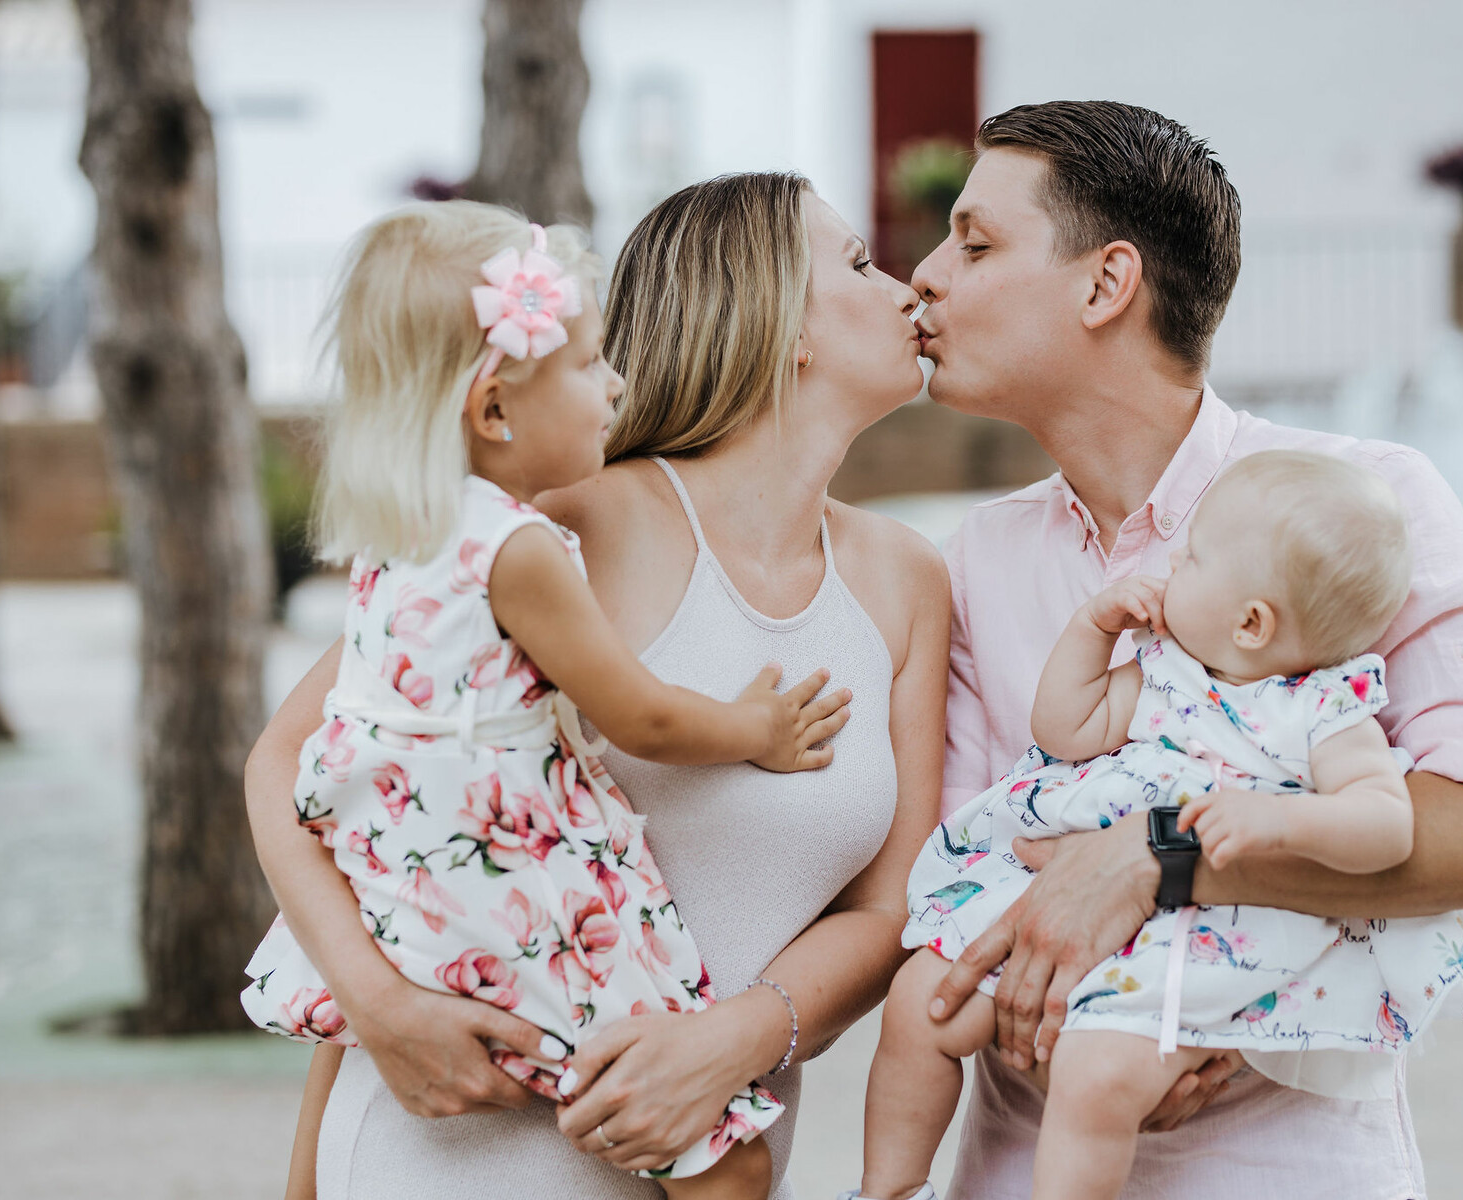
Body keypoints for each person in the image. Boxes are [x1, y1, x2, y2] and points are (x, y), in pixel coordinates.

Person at [244, 173, 949, 1200]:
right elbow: (307, 767)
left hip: (704, 1158)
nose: (908, 286)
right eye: (856, 263)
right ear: (775, 323)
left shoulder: (907, 579)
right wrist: (376, 1008)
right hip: (449, 1156)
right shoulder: (562, 529)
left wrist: (731, 1041)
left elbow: (893, 910)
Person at [910, 101, 1463, 1198]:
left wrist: (1160, 860)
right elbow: (973, 875)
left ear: (1105, 284)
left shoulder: (1364, 505)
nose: (923, 276)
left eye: (974, 244)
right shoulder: (977, 556)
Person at [854, 450, 1463, 1200]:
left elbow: (1387, 824)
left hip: (1200, 943)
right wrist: (1092, 632)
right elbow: (1070, 727)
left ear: (1252, 621)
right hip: (1063, 907)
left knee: (1095, 1076)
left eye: (1193, 558)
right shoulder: (1168, 672)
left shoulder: (1323, 710)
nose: (1174, 568)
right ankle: (890, 1190)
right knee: (920, 1002)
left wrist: (1281, 820)